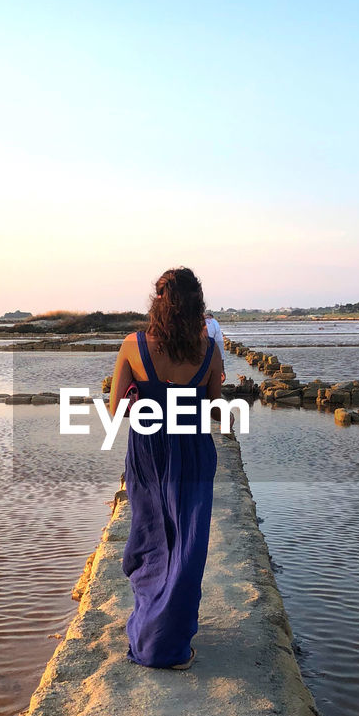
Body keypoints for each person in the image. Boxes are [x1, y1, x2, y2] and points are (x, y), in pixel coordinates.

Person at [108, 267, 223, 669]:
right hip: (191, 449)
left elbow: (117, 409)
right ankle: (171, 644)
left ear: (157, 302)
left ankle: (153, 635)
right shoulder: (209, 348)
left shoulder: (132, 345)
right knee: (187, 545)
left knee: (152, 538)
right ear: (198, 304)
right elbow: (212, 405)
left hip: (149, 452)